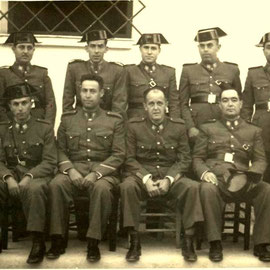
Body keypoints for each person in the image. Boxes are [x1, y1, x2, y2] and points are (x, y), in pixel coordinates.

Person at [46, 74, 125, 262]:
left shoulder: (114, 120)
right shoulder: (67, 119)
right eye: (84, 91)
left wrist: (96, 174)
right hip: (74, 169)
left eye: (93, 91)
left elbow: (119, 154)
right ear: (79, 93)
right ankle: (57, 239)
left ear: (102, 94)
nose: (88, 95)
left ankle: (93, 241)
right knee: (57, 184)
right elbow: (59, 150)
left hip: (104, 173)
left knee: (102, 189)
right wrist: (70, 170)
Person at [120, 87, 203, 262]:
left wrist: (169, 179)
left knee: (192, 187)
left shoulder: (178, 126)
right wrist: (146, 179)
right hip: (142, 177)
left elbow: (184, 158)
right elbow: (129, 158)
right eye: (151, 103)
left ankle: (188, 241)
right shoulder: (134, 127)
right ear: (144, 106)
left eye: (159, 103)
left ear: (166, 105)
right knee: (127, 186)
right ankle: (134, 241)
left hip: (170, 176)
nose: (156, 108)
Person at [193, 85, 270, 262]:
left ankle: (262, 243)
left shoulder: (253, 131)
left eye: (234, 100)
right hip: (217, 179)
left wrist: (251, 176)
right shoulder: (207, 128)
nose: (230, 104)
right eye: (225, 100)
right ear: (219, 105)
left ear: (241, 104)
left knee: (266, 189)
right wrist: (205, 172)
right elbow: (197, 158)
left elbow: (260, 160)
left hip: (244, 179)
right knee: (207, 189)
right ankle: (215, 242)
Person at [0, 83, 57, 264]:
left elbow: (50, 161)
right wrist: (8, 178)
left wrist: (28, 176)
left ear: (31, 103)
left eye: (24, 103)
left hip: (37, 175)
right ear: (9, 106)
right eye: (15, 104)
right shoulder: (2, 129)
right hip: (11, 173)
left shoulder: (44, 127)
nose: (20, 108)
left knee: (35, 189)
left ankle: (37, 241)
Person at [179, 27, 242, 141]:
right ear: (198, 48)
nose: (205, 49)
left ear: (218, 47)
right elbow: (182, 103)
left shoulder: (232, 70)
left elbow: (238, 101)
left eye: (209, 45)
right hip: (198, 124)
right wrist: (190, 127)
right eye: (202, 46)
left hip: (224, 124)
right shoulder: (188, 71)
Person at [62, 29, 127, 118]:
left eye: (100, 46)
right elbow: (67, 100)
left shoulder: (117, 71)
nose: (96, 51)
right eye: (92, 46)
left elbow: (119, 104)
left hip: (106, 122)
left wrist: (113, 124)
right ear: (86, 48)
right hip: (80, 120)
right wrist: (70, 121)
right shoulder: (74, 68)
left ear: (106, 49)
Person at [0, 32, 56, 125]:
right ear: (13, 49)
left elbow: (50, 103)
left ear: (33, 50)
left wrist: (47, 126)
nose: (25, 51)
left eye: (29, 48)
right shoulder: (4, 75)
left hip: (38, 124)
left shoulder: (41, 74)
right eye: (21, 47)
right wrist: (6, 126)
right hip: (13, 125)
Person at [125, 33, 180, 119]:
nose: (149, 52)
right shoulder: (129, 71)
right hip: (136, 121)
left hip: (161, 120)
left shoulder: (169, 72)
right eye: (146, 48)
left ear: (159, 51)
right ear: (140, 49)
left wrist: (174, 125)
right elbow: (122, 101)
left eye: (153, 48)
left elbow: (174, 104)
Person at [241, 32, 270, 183]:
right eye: (269, 47)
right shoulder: (254, 74)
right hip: (262, 127)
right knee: (262, 165)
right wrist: (246, 131)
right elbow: (246, 106)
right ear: (263, 50)